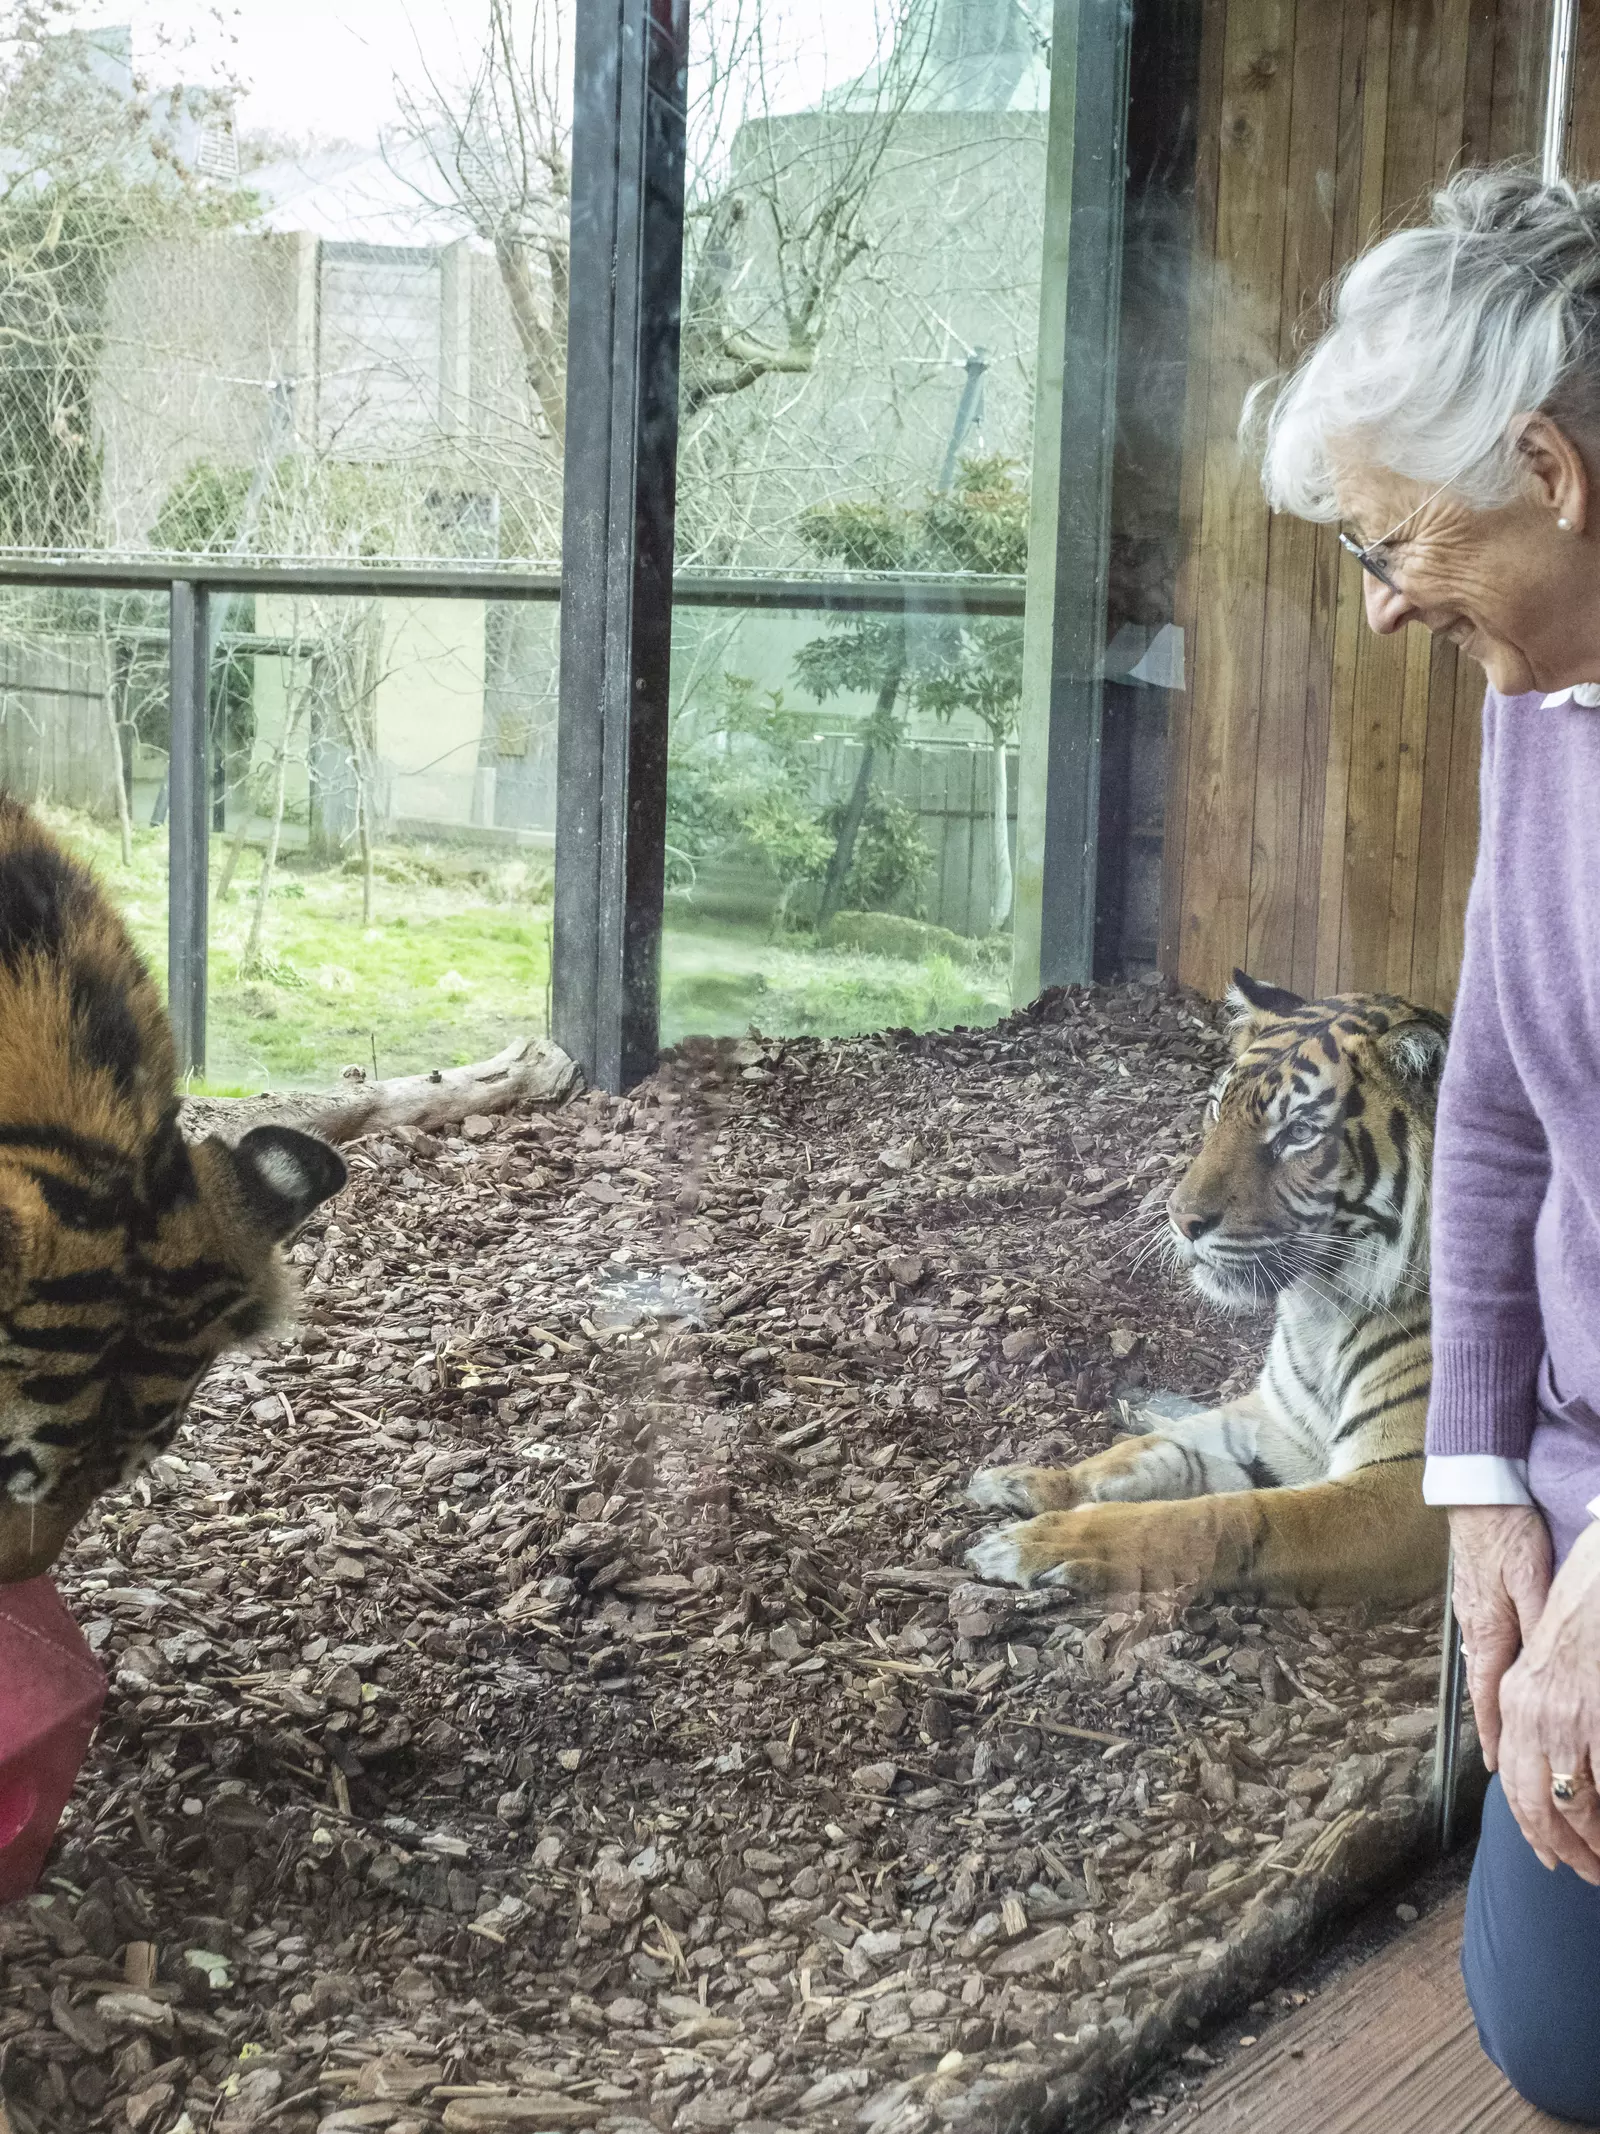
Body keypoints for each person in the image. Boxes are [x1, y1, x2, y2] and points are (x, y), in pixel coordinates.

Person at [1252, 167, 1600, 2125]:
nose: (1381, 604)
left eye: (1402, 543)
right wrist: (1480, 1477)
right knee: (1550, 2024)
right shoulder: (1537, 692)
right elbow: (1487, 1108)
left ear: (1547, 468)